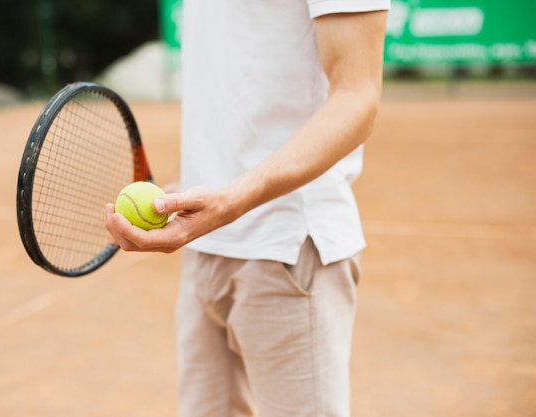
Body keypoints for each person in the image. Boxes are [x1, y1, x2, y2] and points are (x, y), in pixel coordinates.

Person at [106, 1, 389, 416]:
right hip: (204, 248)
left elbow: (358, 95)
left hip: (288, 248)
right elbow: (228, 82)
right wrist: (183, 182)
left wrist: (233, 199)